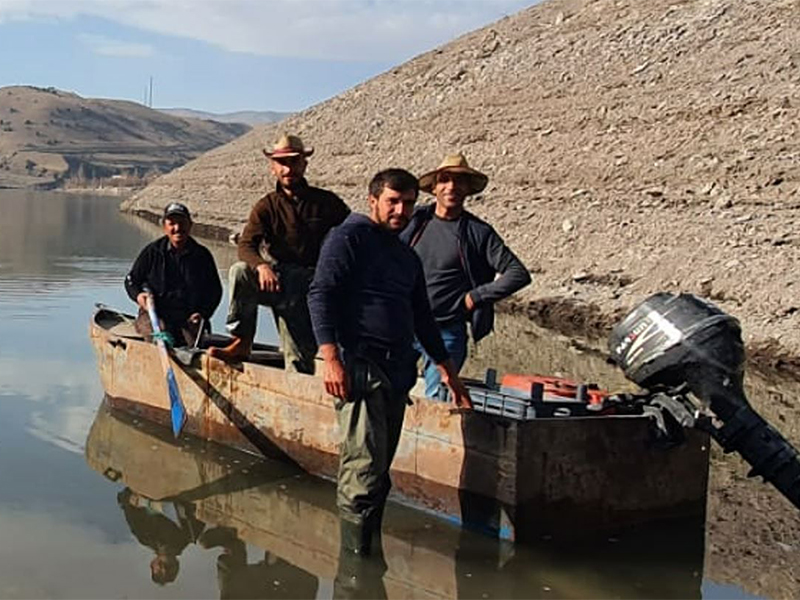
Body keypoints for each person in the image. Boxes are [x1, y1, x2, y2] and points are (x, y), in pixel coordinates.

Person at [307, 168, 472, 557]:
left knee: (380, 473)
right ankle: (353, 569)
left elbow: (423, 319)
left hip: (397, 373)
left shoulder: (404, 256)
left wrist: (449, 372)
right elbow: (320, 294)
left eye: (409, 203)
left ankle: (369, 552)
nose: (401, 210)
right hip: (360, 367)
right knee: (363, 470)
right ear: (373, 201)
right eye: (393, 202)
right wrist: (330, 358)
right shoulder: (348, 237)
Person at [209, 133, 350, 373]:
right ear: (273, 168)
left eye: (294, 162)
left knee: (298, 360)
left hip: (311, 286)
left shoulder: (327, 203)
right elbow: (246, 245)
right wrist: (262, 266)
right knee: (241, 271)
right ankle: (243, 341)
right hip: (277, 281)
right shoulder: (267, 205)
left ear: (304, 164)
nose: (288, 169)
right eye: (282, 163)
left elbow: (350, 238)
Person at [400, 153, 531, 397]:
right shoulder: (414, 220)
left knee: (438, 398)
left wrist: (476, 296)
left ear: (468, 189)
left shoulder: (478, 232)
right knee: (389, 391)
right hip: (402, 325)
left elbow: (518, 273)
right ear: (434, 188)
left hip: (447, 329)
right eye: (445, 180)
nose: (452, 187)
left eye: (459, 181)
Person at [125, 202, 222, 347]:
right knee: (161, 339)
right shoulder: (152, 252)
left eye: (182, 223)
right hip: (156, 315)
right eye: (172, 224)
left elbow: (215, 291)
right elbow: (131, 280)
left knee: (193, 348)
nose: (177, 228)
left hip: (189, 318)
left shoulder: (202, 256)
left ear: (190, 225)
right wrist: (139, 296)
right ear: (164, 226)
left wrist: (202, 313)